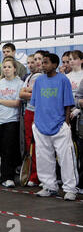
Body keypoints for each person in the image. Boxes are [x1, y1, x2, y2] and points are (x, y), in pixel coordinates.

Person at [30, 52, 78, 201]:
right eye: (42, 62)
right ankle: (49, 186)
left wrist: (66, 125)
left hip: (59, 126)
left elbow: (68, 104)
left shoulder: (63, 80)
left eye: (46, 62)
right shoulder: (38, 81)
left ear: (55, 65)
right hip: (41, 126)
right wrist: (35, 123)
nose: (42, 65)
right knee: (43, 158)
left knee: (66, 159)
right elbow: (35, 103)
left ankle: (70, 189)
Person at [0, 57, 23, 188]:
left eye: (9, 67)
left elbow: (17, 103)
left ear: (14, 69)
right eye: (5, 67)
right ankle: (3, 175)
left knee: (9, 149)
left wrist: (0, 101)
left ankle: (8, 177)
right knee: (1, 150)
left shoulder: (20, 83)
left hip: (12, 121)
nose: (6, 69)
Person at [19, 54, 42, 186]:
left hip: (40, 112)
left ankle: (40, 176)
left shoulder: (42, 77)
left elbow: (38, 94)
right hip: (28, 112)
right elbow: (21, 94)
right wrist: (29, 91)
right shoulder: (28, 76)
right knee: (30, 144)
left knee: (41, 145)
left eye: (35, 61)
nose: (32, 64)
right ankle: (33, 175)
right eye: (29, 62)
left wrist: (28, 92)